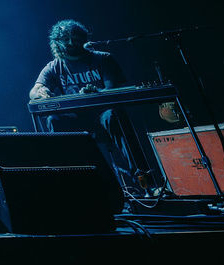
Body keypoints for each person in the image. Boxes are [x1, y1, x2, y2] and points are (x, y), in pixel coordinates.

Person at [29, 19, 152, 188]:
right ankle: (70, 182)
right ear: (56, 42)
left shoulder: (103, 59)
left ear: (83, 38)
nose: (71, 43)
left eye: (75, 38)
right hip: (75, 122)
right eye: (65, 39)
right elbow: (34, 91)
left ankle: (144, 180)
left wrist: (97, 92)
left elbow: (113, 90)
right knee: (54, 120)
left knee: (113, 115)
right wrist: (41, 91)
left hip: (103, 117)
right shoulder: (54, 67)